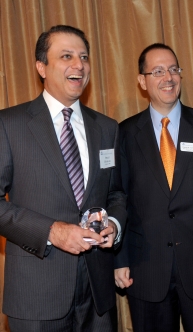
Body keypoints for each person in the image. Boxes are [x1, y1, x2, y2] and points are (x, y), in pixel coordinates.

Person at [0, 25, 127, 331]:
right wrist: (52, 231)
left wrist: (114, 225)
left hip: (97, 296)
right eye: (66, 56)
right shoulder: (9, 124)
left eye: (83, 57)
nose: (79, 65)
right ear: (41, 67)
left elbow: (117, 194)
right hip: (37, 295)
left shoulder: (107, 128)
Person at [114, 43, 193, 332]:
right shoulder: (123, 134)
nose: (168, 78)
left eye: (173, 69)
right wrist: (118, 260)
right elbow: (117, 197)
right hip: (145, 270)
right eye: (157, 71)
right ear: (142, 81)